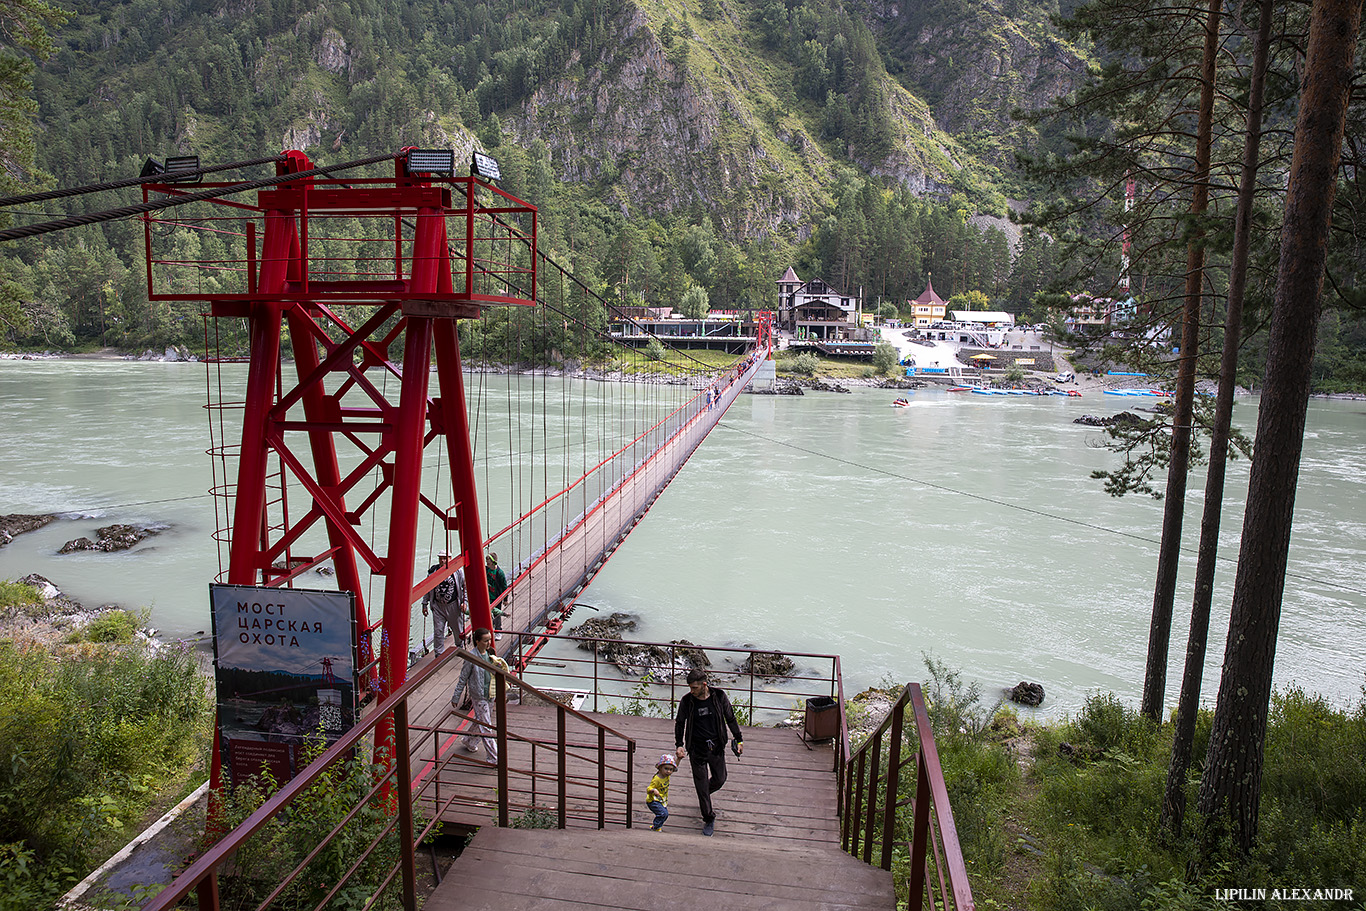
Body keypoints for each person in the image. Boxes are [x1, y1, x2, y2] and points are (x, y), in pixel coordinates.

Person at [674, 669, 743, 836]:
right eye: (690, 687)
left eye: (695, 688)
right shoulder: (687, 701)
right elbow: (680, 723)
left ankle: (704, 794)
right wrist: (679, 744)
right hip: (696, 749)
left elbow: (730, 718)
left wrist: (739, 739)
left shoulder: (719, 697)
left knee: (720, 779)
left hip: (716, 746)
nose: (692, 691)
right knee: (701, 784)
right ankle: (708, 817)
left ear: (704, 684)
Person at [449, 628, 508, 761]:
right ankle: (494, 757)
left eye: (489, 640)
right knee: (486, 725)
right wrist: (456, 697)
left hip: (490, 694)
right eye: (486, 641)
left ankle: (469, 740)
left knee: (481, 720)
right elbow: (463, 678)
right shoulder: (471, 657)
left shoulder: (490, 654)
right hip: (479, 695)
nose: (489, 643)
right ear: (477, 641)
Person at [421, 551, 466, 652]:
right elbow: (427, 588)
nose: (442, 561)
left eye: (445, 558)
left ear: (450, 558)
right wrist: (425, 604)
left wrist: (465, 602)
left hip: (453, 605)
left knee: (457, 629)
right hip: (438, 606)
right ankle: (439, 653)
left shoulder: (458, 571)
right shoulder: (433, 572)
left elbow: (465, 587)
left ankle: (459, 647)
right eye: (441, 558)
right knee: (438, 631)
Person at [646, 753, 676, 831]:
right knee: (663, 814)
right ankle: (656, 827)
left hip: (661, 800)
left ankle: (656, 826)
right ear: (660, 768)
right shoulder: (657, 779)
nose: (668, 771)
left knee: (665, 815)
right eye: (666, 769)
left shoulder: (667, 776)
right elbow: (649, 789)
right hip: (653, 800)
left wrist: (679, 759)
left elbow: (675, 765)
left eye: (671, 770)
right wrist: (654, 790)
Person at [485, 552, 508, 639]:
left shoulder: (499, 573)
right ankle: (490, 630)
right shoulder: (486, 569)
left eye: (489, 560)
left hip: (496, 597)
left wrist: (505, 599)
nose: (487, 562)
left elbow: (504, 586)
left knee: (496, 614)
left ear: (493, 561)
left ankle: (498, 631)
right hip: (487, 597)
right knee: (487, 614)